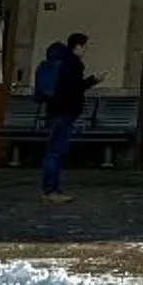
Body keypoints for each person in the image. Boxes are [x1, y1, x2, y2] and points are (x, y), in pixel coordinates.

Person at [35, 32, 96, 203]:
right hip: (65, 112)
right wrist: (91, 81)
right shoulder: (73, 64)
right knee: (56, 152)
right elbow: (74, 89)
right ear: (77, 47)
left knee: (54, 151)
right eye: (85, 46)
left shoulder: (58, 63)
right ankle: (51, 190)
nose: (86, 50)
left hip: (55, 110)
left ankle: (50, 189)